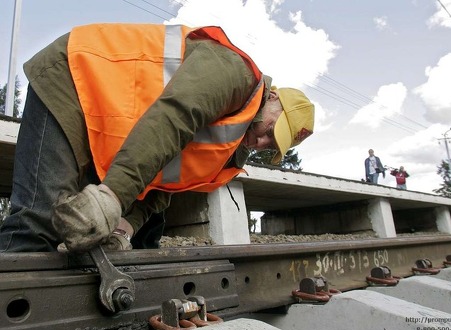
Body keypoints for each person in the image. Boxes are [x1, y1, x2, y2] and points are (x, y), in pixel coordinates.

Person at [0, 23, 315, 253]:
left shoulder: (231, 149)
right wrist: (111, 197)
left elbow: (167, 183)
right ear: (272, 97)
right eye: (271, 132)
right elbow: (172, 118)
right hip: (74, 76)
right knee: (39, 223)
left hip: (105, 118)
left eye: (272, 146)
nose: (262, 144)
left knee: (99, 236)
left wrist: (127, 225)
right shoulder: (235, 72)